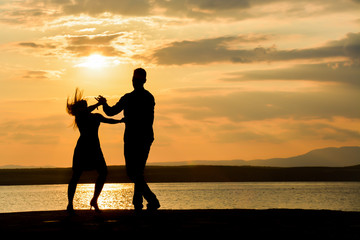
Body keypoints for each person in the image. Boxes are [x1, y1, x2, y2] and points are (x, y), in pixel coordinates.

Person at [96, 68, 160, 211]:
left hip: (136, 138)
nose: (134, 82)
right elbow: (111, 111)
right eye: (134, 79)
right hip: (142, 137)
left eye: (136, 79)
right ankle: (140, 202)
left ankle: (148, 200)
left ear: (143, 81)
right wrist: (105, 104)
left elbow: (111, 112)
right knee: (137, 172)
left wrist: (105, 104)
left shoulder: (135, 98)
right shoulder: (144, 97)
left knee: (134, 172)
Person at [66, 88, 124, 213]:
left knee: (103, 173)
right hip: (83, 149)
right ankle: (70, 204)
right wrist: (99, 104)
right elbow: (85, 110)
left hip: (95, 149)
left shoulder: (96, 116)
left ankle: (94, 200)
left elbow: (108, 120)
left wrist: (121, 121)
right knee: (75, 176)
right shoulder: (80, 116)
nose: (85, 106)